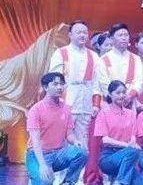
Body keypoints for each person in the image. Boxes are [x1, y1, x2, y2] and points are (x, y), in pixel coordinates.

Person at [47, 20, 104, 185]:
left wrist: (96, 104)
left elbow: (97, 83)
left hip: (85, 104)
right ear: (70, 35)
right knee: (63, 142)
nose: (82, 35)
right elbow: (54, 80)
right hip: (66, 103)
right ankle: (58, 179)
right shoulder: (61, 53)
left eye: (85, 32)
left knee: (82, 142)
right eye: (78, 32)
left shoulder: (93, 56)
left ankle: (77, 179)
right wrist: (57, 102)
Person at [26, 72, 88, 185]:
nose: (59, 87)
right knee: (44, 181)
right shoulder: (36, 110)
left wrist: (75, 141)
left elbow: (69, 134)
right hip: (38, 155)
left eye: (62, 84)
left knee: (81, 152)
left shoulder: (66, 109)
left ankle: (68, 182)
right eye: (55, 84)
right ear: (45, 87)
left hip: (58, 154)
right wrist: (43, 165)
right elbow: (35, 141)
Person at [93, 80, 141, 185]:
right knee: (132, 152)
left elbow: (133, 138)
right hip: (108, 157)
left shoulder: (131, 114)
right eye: (118, 93)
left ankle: (119, 180)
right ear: (110, 94)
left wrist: (132, 145)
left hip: (128, 157)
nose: (122, 95)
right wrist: (128, 146)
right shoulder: (103, 113)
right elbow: (105, 140)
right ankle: (121, 182)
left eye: (124, 92)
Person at [100, 23, 143, 109]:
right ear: (112, 39)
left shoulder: (136, 58)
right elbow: (103, 82)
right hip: (110, 103)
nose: (124, 38)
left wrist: (129, 96)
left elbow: (139, 81)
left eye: (126, 35)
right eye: (120, 35)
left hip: (130, 102)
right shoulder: (104, 59)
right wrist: (117, 97)